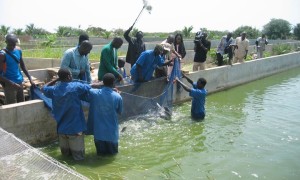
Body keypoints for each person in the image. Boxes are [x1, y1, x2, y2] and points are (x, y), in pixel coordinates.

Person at [42, 68, 91, 161]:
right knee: (79, 158)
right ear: (69, 76)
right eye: (71, 75)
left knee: (65, 159)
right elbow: (89, 87)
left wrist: (56, 79)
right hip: (75, 130)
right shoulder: (76, 87)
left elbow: (43, 88)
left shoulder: (54, 90)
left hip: (62, 130)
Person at [85, 73, 123, 156]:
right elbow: (119, 112)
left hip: (98, 134)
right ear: (113, 83)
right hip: (111, 135)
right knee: (112, 157)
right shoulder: (118, 97)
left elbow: (86, 87)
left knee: (100, 156)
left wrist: (97, 84)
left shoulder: (94, 94)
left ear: (103, 82)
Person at [0, 34, 35, 104]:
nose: (12, 46)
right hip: (9, 84)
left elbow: (23, 65)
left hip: (19, 82)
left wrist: (30, 78)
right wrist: (12, 84)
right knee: (12, 106)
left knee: (21, 105)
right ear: (6, 42)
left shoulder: (18, 50)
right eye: (10, 44)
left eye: (14, 44)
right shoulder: (2, 55)